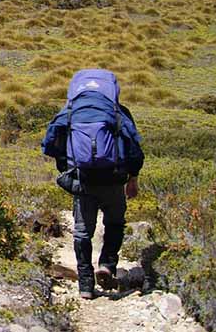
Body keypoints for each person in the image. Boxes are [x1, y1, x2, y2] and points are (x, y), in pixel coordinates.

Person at [42, 69, 144, 299]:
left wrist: (67, 165)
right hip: (114, 179)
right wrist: (133, 178)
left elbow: (49, 144)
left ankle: (86, 285)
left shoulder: (70, 111)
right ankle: (107, 264)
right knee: (115, 223)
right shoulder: (118, 112)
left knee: (82, 232)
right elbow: (135, 150)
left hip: (83, 180)